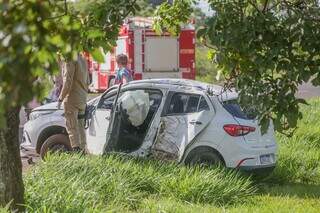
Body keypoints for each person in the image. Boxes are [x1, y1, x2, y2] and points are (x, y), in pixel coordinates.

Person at [58, 53, 89, 153]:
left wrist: (60, 98)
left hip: (71, 98)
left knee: (72, 128)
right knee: (80, 127)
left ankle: (77, 154)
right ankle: (83, 152)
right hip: (82, 98)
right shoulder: (82, 58)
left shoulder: (69, 59)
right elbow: (88, 80)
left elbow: (68, 81)